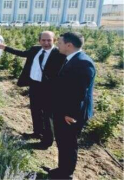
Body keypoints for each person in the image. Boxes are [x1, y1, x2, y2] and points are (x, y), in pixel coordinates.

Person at [0, 31, 66, 149]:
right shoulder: (35, 49)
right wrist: (5, 48)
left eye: (49, 40)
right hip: (34, 85)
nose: (46, 43)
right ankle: (37, 132)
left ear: (54, 41)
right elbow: (22, 53)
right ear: (39, 41)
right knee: (35, 110)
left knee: (47, 115)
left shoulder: (59, 54)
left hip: (48, 88)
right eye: (43, 40)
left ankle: (47, 141)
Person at [47, 32, 96, 179]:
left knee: (68, 144)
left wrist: (70, 114)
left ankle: (66, 174)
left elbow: (80, 92)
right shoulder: (72, 59)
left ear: (69, 45)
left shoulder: (83, 63)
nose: (57, 45)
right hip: (64, 111)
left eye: (60, 43)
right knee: (62, 141)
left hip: (71, 115)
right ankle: (62, 169)